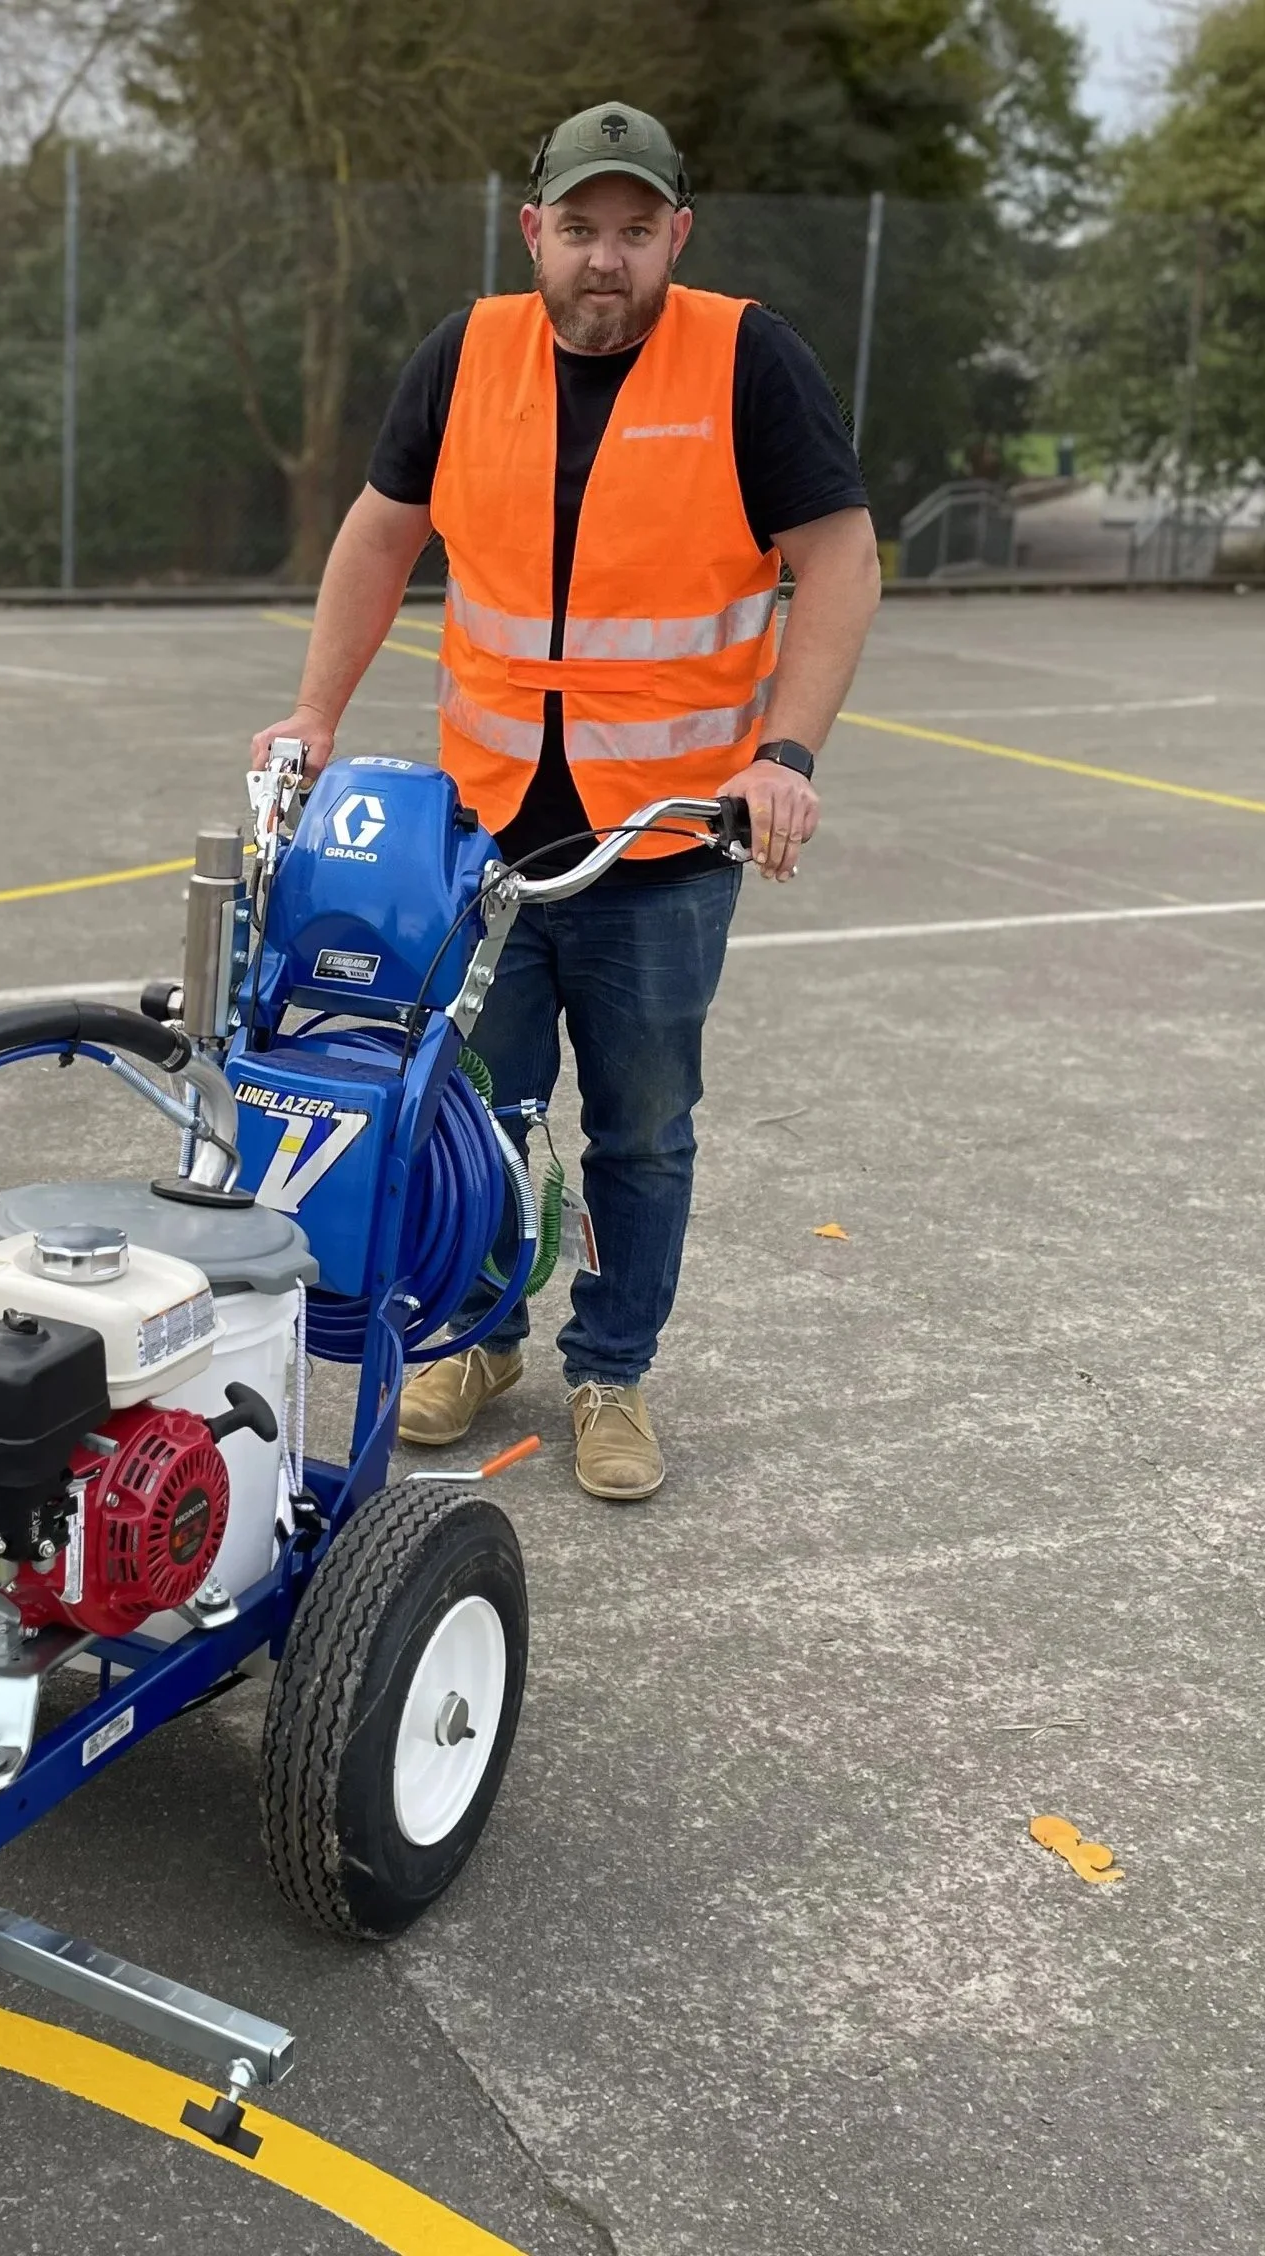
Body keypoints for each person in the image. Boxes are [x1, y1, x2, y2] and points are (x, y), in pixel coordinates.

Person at [250, 101, 880, 1502]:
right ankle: (478, 1338)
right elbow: (380, 532)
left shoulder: (745, 359)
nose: (607, 259)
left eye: (635, 232)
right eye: (580, 229)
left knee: (640, 1129)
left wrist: (786, 752)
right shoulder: (466, 355)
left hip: (656, 848)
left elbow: (837, 555)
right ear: (533, 230)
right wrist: (316, 712)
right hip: (479, 840)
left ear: (677, 238)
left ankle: (612, 1371)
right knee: (470, 1110)